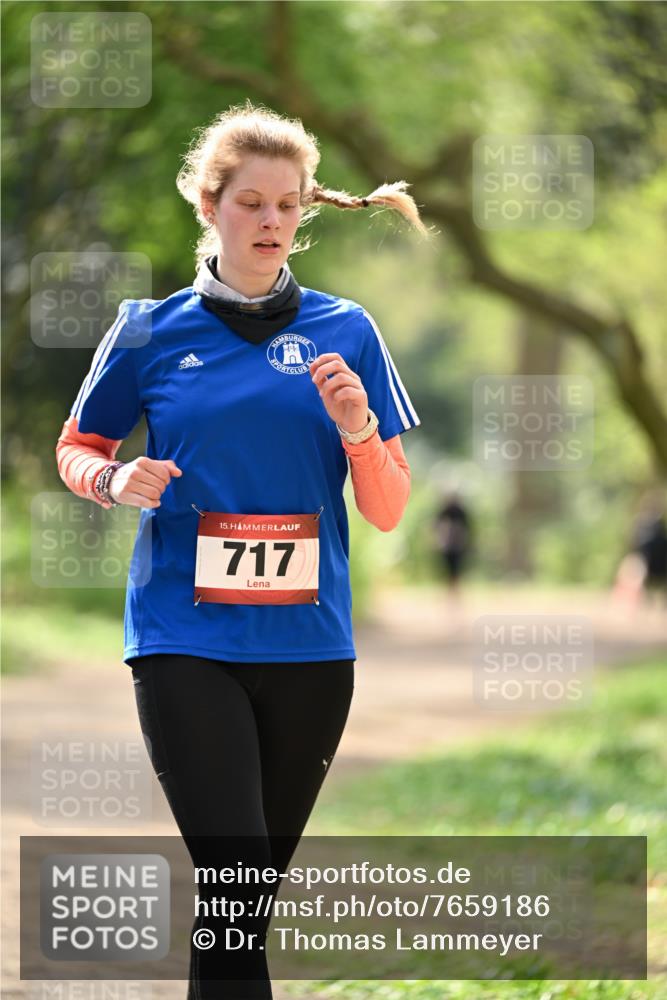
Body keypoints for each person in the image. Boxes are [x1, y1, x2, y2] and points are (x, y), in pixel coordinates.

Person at [55, 101, 426, 998]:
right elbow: (77, 449)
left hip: (310, 648)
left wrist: (357, 427)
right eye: (250, 202)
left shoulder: (348, 332)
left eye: (287, 205)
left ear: (305, 214)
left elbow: (385, 509)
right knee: (233, 888)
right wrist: (115, 481)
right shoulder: (147, 329)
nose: (269, 222)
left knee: (242, 912)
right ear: (209, 206)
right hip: (185, 640)